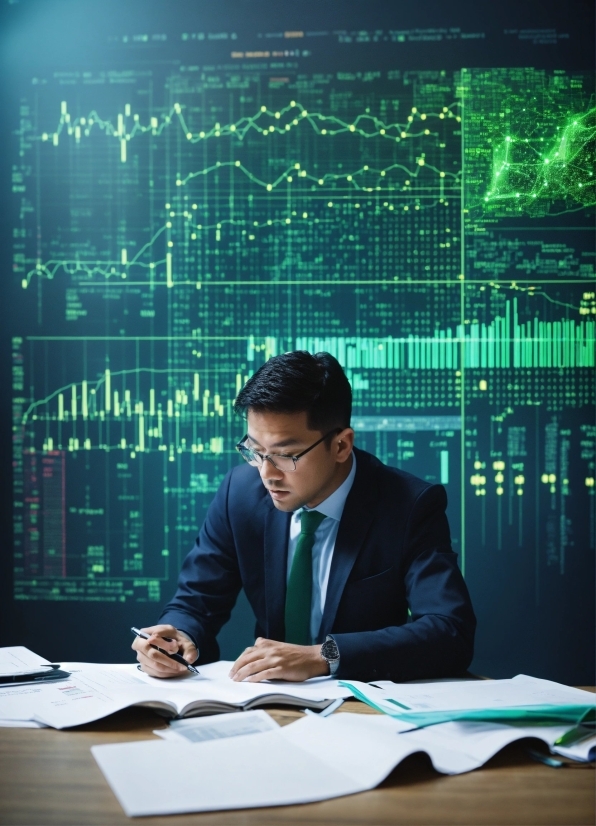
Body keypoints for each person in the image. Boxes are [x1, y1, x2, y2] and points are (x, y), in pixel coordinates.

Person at [132, 350, 476, 683]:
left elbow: (450, 631)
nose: (267, 474)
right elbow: (195, 602)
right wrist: (176, 636)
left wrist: (323, 656)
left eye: (286, 455)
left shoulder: (409, 505)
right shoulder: (239, 493)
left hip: (365, 711)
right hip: (266, 703)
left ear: (341, 445)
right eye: (254, 450)